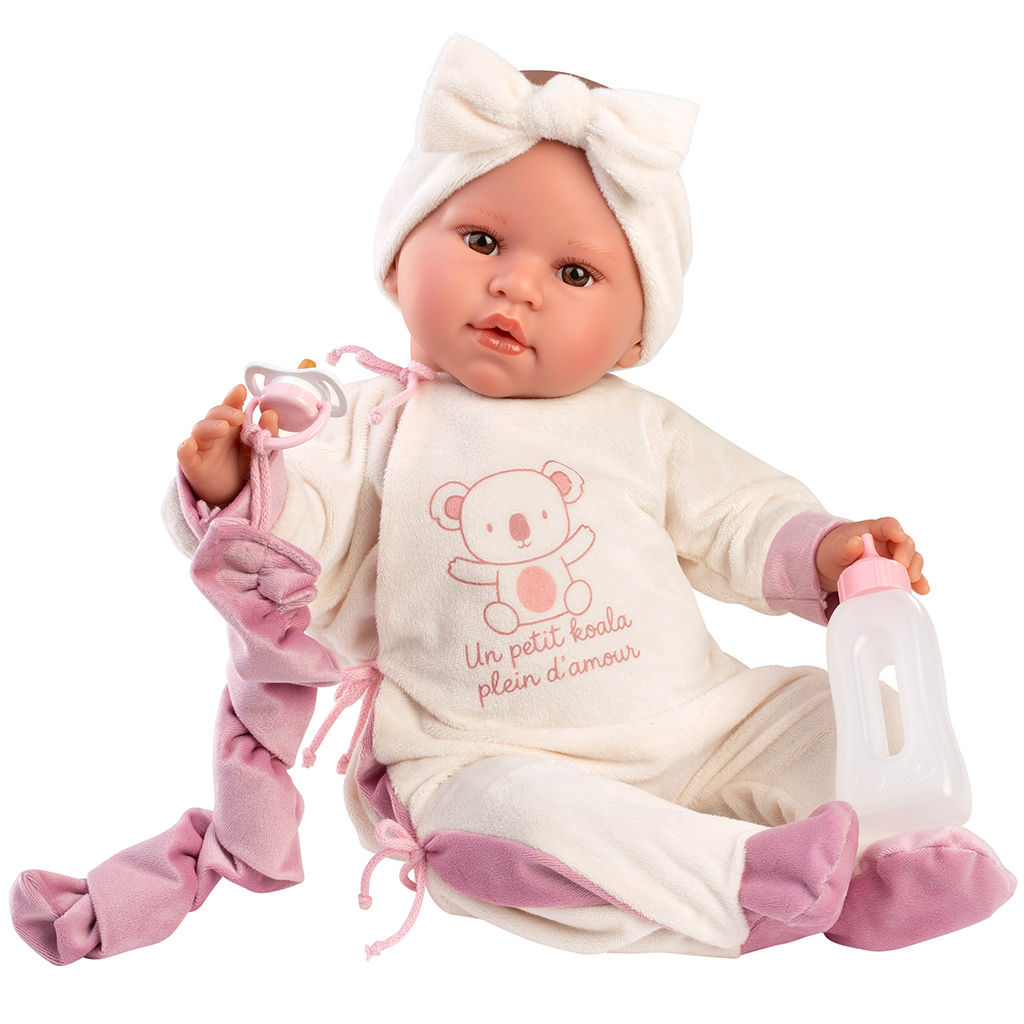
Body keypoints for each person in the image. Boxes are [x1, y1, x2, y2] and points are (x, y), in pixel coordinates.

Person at [11, 35, 1013, 964]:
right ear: (399, 257)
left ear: (635, 333)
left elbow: (738, 515)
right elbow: (298, 548)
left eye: (574, 271)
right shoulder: (366, 424)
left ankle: (884, 865)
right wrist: (237, 484)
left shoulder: (638, 424)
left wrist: (829, 550)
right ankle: (739, 882)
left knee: (820, 713)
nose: (518, 288)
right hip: (478, 751)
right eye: (483, 241)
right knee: (505, 818)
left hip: (701, 722)